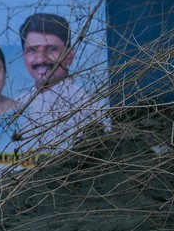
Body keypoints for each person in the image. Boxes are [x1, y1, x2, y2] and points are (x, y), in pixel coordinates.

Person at [12, 12, 108, 150]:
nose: (40, 59)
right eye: (32, 50)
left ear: (69, 56)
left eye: (51, 49)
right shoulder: (17, 106)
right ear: (23, 56)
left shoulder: (89, 107)